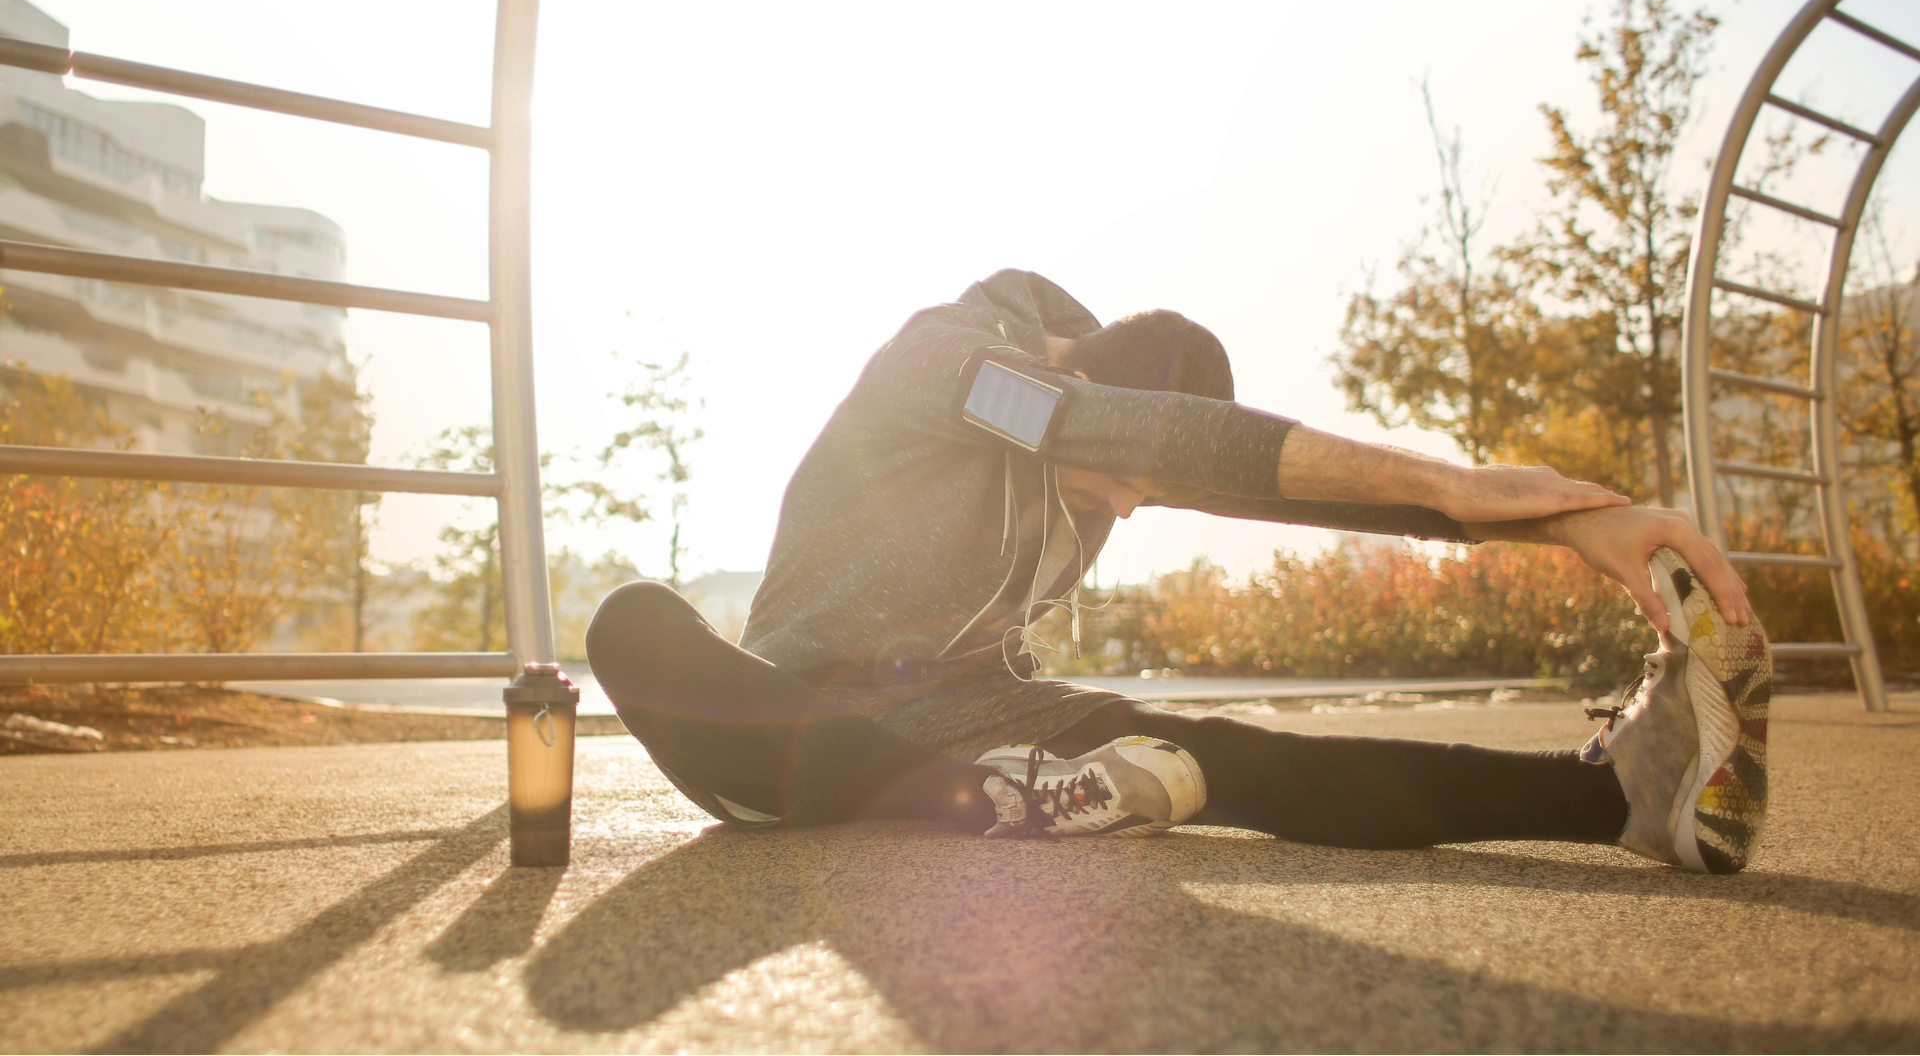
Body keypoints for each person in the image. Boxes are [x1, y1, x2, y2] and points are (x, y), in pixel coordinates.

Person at [586, 270, 1769, 873]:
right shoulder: (955, 365)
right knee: (632, 622)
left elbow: (1259, 479)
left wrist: (1558, 524)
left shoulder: (1102, 441)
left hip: (979, 720)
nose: (1128, 506)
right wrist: (1459, 483)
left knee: (1229, 753)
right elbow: (1104, 430)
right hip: (782, 729)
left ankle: (1621, 798)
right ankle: (989, 799)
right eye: (1127, 479)